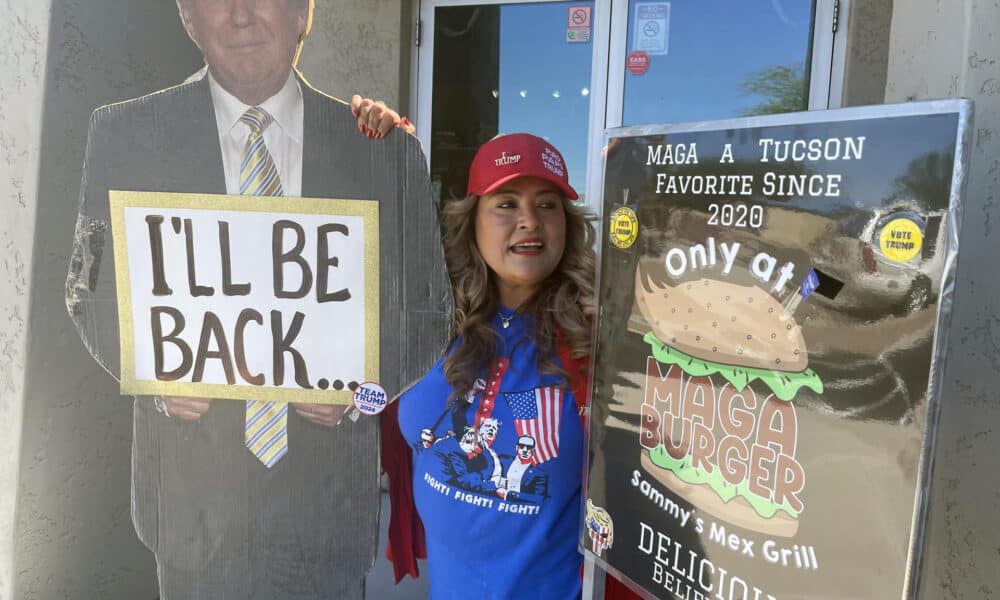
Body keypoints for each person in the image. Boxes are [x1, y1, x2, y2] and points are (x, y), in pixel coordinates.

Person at [65, 0, 439, 597]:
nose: (240, 14)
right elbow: (89, 295)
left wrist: (360, 396)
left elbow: (427, 316)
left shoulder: (383, 150)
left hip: (326, 514)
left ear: (302, 14)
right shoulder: (126, 134)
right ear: (187, 16)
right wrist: (154, 377)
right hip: (190, 513)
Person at [380, 132, 597, 598]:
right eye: (506, 203)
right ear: (472, 220)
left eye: (547, 204)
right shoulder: (429, 323)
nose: (528, 221)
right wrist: (375, 136)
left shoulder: (595, 344)